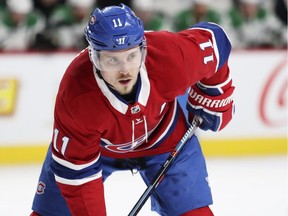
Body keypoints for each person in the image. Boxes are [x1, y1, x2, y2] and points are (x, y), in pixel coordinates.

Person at [30, 3, 235, 216]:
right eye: (112, 60)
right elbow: (78, 178)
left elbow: (215, 39)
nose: (125, 70)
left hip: (166, 139)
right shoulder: (76, 95)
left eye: (131, 56)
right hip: (97, 150)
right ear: (94, 57)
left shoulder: (169, 55)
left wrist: (214, 94)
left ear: (143, 48)